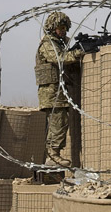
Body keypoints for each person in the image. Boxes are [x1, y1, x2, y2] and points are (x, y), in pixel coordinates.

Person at [35, 11, 85, 167]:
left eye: (65, 28)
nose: (63, 31)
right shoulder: (48, 44)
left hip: (59, 91)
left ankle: (52, 156)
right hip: (52, 93)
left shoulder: (60, 43)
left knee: (59, 122)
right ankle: (53, 155)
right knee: (58, 123)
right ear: (52, 28)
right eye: (60, 27)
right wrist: (78, 53)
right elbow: (59, 58)